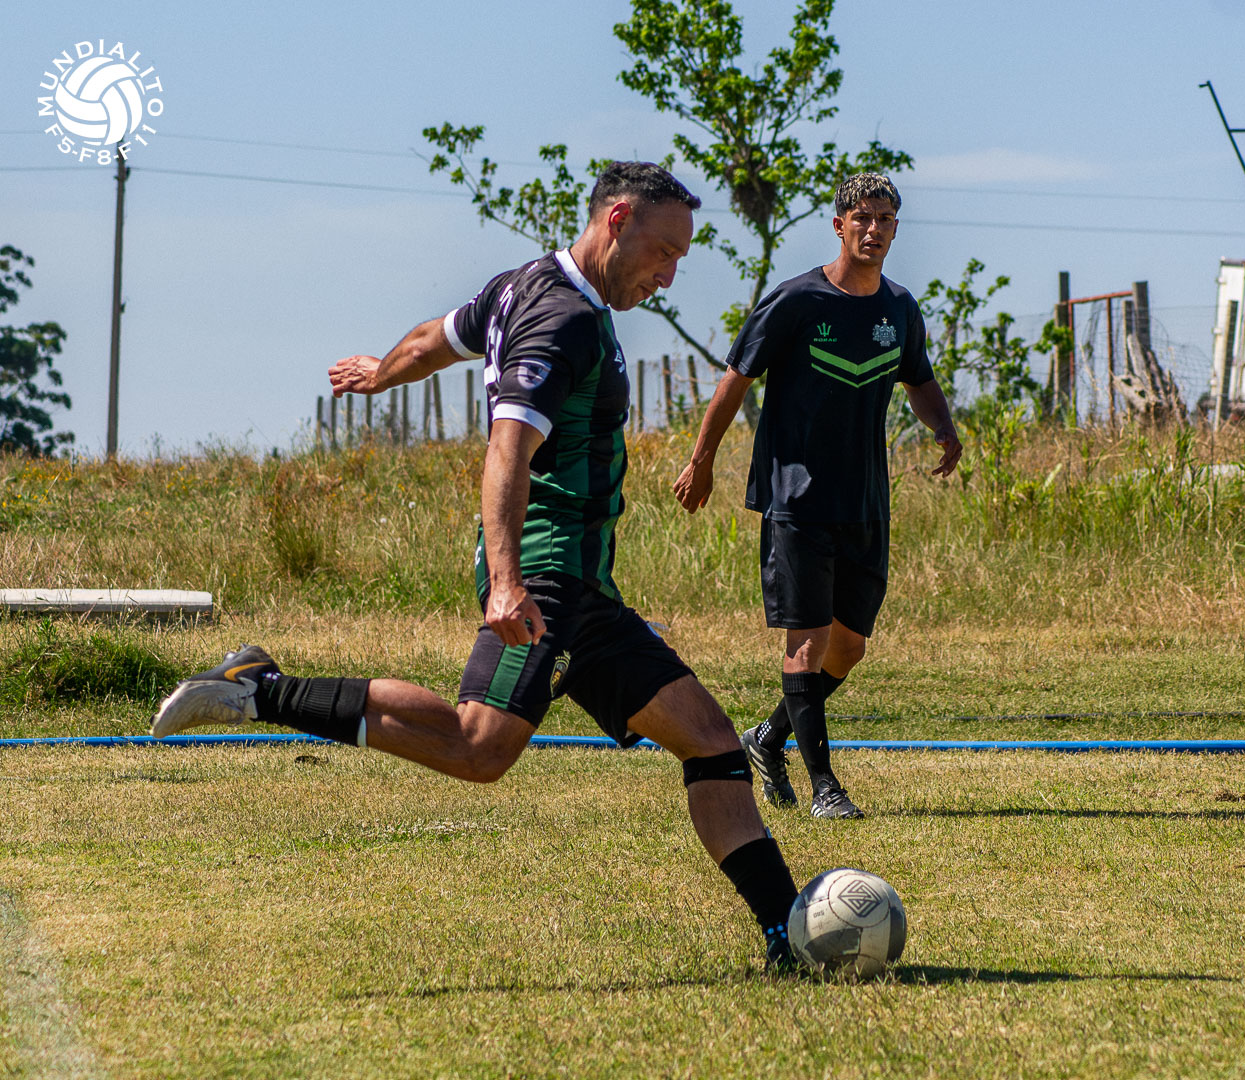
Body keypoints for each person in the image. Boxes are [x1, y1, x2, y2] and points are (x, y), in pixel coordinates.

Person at [151, 162, 803, 972]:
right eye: (663, 252)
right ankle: (261, 688)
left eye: (679, 259)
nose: (668, 276)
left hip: (582, 587)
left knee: (709, 741)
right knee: (478, 747)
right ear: (617, 220)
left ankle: (787, 933)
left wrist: (379, 372)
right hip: (544, 573)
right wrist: (505, 581)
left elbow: (435, 339)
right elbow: (506, 452)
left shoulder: (516, 287)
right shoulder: (561, 320)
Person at [672, 173, 961, 820]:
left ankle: (767, 738)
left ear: (895, 229)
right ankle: (825, 788)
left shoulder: (899, 308)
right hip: (796, 498)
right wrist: (701, 460)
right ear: (839, 225)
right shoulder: (796, 300)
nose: (873, 229)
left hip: (864, 500)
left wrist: (943, 427)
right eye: (862, 217)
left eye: (885, 219)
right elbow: (735, 378)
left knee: (849, 646)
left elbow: (918, 378)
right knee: (805, 642)